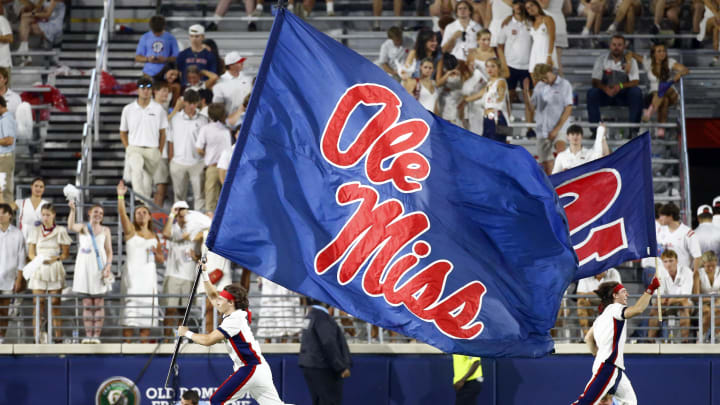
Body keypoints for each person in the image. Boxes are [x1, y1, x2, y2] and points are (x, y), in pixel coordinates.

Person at [178, 272, 287, 405]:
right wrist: (205, 273)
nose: (217, 302)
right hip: (259, 368)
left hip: (249, 367)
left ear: (230, 302)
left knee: (217, 400)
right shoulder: (236, 313)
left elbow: (208, 340)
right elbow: (212, 295)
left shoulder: (234, 320)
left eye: (221, 299)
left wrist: (187, 333)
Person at [572, 277, 660, 404]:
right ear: (615, 295)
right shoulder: (615, 308)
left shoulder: (600, 318)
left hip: (609, 366)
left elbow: (588, 338)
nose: (627, 294)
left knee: (630, 402)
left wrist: (597, 355)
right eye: (624, 291)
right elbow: (638, 309)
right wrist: (651, 289)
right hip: (608, 366)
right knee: (586, 402)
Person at [117, 180, 163, 343]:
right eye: (138, 213)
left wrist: (156, 255)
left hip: (148, 279)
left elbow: (161, 258)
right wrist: (121, 197)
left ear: (150, 216)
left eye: (144, 212)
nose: (141, 214)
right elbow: (122, 215)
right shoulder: (130, 232)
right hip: (132, 278)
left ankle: (144, 347)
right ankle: (126, 349)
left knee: (146, 318)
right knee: (130, 316)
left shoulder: (154, 237)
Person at [67, 200, 113, 344]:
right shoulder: (83, 227)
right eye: (95, 212)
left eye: (100, 213)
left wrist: (108, 267)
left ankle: (96, 336)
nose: (98, 215)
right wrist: (72, 210)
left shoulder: (106, 230)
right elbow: (70, 226)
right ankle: (88, 335)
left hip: (99, 269)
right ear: (89, 213)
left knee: (98, 303)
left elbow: (109, 251)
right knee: (87, 303)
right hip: (84, 268)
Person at [26, 203, 70, 343]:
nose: (45, 217)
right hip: (39, 268)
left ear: (53, 215)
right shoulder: (35, 230)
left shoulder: (61, 230)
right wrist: (39, 260)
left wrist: (55, 258)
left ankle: (58, 338)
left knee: (55, 304)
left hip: (54, 268)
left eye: (48, 215)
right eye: (43, 214)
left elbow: (65, 254)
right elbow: (31, 253)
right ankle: (37, 337)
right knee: (38, 303)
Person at [119, 77, 169, 200]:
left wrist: (159, 151)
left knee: (147, 184)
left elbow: (162, 133)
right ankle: (138, 200)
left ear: (151, 91)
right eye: (142, 88)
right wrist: (128, 147)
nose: (145, 91)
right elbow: (123, 131)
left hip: (152, 149)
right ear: (137, 90)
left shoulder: (158, 109)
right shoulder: (128, 109)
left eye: (148, 88)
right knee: (136, 170)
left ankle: (143, 206)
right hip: (135, 148)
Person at [161, 201, 203, 340]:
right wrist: (172, 214)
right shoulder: (173, 228)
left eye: (184, 213)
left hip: (189, 275)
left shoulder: (196, 230)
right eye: (179, 214)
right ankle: (166, 339)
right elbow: (165, 234)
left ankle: (180, 339)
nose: (182, 217)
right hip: (173, 274)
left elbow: (200, 255)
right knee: (170, 309)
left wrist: (195, 256)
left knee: (184, 311)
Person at [299, 298, 352, 405]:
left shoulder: (310, 316)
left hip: (310, 366)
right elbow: (328, 343)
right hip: (323, 368)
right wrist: (341, 367)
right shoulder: (322, 317)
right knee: (330, 401)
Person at [587, 35, 643, 130]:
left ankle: (633, 130)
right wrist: (605, 88)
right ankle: (595, 130)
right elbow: (595, 81)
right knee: (592, 93)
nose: (616, 47)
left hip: (623, 95)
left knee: (636, 92)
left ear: (624, 46)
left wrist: (620, 86)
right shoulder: (601, 59)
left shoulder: (631, 61)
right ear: (610, 45)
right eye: (614, 44)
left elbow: (635, 81)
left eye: (619, 45)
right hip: (605, 94)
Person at [527, 63, 571, 174]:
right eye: (542, 79)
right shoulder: (539, 86)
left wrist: (556, 129)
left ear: (551, 71)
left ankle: (566, 179)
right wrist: (526, 93)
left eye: (546, 77)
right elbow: (532, 107)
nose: (545, 80)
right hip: (543, 128)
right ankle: (553, 186)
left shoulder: (564, 85)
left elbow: (568, 108)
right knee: (546, 163)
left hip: (560, 126)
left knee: (561, 150)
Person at [638, 43, 689, 138]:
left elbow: (686, 70)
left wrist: (679, 74)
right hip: (655, 95)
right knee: (664, 100)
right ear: (654, 54)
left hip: (671, 93)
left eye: (664, 51)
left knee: (664, 88)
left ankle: (649, 112)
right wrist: (629, 57)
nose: (662, 53)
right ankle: (661, 130)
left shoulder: (670, 62)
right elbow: (635, 56)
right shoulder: (649, 63)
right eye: (659, 51)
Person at [497, 1, 533, 134]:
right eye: (515, 4)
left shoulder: (531, 23)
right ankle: (506, 129)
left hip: (527, 67)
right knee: (508, 98)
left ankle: (530, 129)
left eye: (520, 3)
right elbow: (499, 46)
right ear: (512, 7)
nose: (518, 7)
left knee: (528, 98)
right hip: (511, 66)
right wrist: (504, 65)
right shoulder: (506, 24)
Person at [169, 89, 208, 210]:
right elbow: (170, 140)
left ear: (198, 103)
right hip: (178, 163)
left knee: (200, 196)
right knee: (179, 197)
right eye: (189, 103)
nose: (192, 106)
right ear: (184, 102)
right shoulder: (175, 119)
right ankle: (178, 225)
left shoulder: (203, 120)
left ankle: (199, 226)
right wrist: (171, 160)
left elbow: (207, 142)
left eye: (194, 103)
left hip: (198, 163)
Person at [647, 249, 693, 342]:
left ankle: (685, 342)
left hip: (682, 303)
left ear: (677, 261)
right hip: (666, 303)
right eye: (665, 261)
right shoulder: (659, 271)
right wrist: (669, 300)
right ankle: (650, 341)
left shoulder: (686, 271)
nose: (668, 264)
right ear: (663, 263)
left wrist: (670, 300)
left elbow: (685, 297)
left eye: (671, 260)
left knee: (684, 306)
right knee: (656, 307)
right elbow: (658, 296)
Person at [196, 103, 232, 212]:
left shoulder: (205, 129)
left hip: (212, 167)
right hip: (226, 169)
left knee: (210, 202)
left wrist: (207, 156)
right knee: (224, 199)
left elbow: (198, 148)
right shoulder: (226, 131)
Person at [465, 58, 510, 142]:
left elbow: (501, 101)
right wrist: (464, 100)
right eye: (487, 66)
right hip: (488, 118)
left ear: (498, 68)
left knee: (498, 145)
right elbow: (479, 94)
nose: (489, 69)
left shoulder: (501, 82)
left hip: (497, 117)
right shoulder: (489, 83)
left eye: (493, 66)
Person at [0, 203, 24, 344]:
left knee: (4, 311)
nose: (0, 215)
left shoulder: (17, 234)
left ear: (10, 215)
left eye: (3, 213)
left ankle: (1, 338)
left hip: (9, 279)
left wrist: (19, 279)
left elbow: (21, 258)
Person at [17, 0, 65, 66]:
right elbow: (37, 10)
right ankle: (25, 51)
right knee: (24, 19)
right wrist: (32, 10)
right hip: (46, 22)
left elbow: (47, 15)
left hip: (54, 26)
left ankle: (24, 50)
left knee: (25, 21)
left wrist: (32, 14)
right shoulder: (43, 1)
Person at [575, 268, 622, 336]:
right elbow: (579, 294)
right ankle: (586, 335)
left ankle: (610, 335)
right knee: (581, 302)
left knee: (614, 302)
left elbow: (618, 291)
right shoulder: (586, 272)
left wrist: (595, 293)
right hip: (590, 304)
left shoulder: (613, 272)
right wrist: (597, 293)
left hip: (608, 302)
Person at [657, 202, 702, 272]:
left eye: (662, 215)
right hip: (665, 276)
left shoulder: (688, 233)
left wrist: (694, 275)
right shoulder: (660, 232)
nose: (660, 218)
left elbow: (697, 256)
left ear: (670, 216)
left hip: (683, 275)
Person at [212, 51, 253, 117]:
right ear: (231, 65)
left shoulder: (248, 79)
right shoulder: (220, 83)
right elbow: (217, 106)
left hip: (247, 119)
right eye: (239, 62)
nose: (242, 63)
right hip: (229, 121)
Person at [152, 80, 172, 208]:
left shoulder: (163, 108)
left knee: (163, 188)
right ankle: (155, 219)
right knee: (161, 187)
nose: (167, 94)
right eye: (163, 90)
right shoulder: (152, 108)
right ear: (155, 92)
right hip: (158, 153)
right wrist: (175, 110)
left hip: (166, 153)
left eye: (168, 91)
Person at [694, 251, 720, 341]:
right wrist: (711, 299)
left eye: (713, 266)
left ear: (716, 262)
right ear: (703, 263)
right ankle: (712, 335)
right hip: (703, 302)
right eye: (708, 266)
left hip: (718, 302)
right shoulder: (698, 274)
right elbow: (696, 296)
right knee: (707, 310)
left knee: (717, 309)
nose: (711, 268)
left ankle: (702, 336)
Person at [525, 0, 556, 74]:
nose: (531, 9)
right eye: (528, 8)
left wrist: (549, 56)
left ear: (537, 5)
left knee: (546, 79)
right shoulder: (530, 23)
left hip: (545, 52)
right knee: (534, 79)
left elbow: (552, 38)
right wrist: (508, 18)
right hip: (535, 52)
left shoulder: (548, 19)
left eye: (532, 5)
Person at [0, 95, 15, 204]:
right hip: (3, 159)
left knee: (4, 191)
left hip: (4, 159)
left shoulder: (6, 119)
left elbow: (9, 140)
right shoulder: (4, 119)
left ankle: (6, 218)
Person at [696, 0, 720, 66]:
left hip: (717, 23)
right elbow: (714, 10)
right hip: (707, 22)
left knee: (716, 30)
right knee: (715, 20)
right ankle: (716, 58)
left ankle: (716, 59)